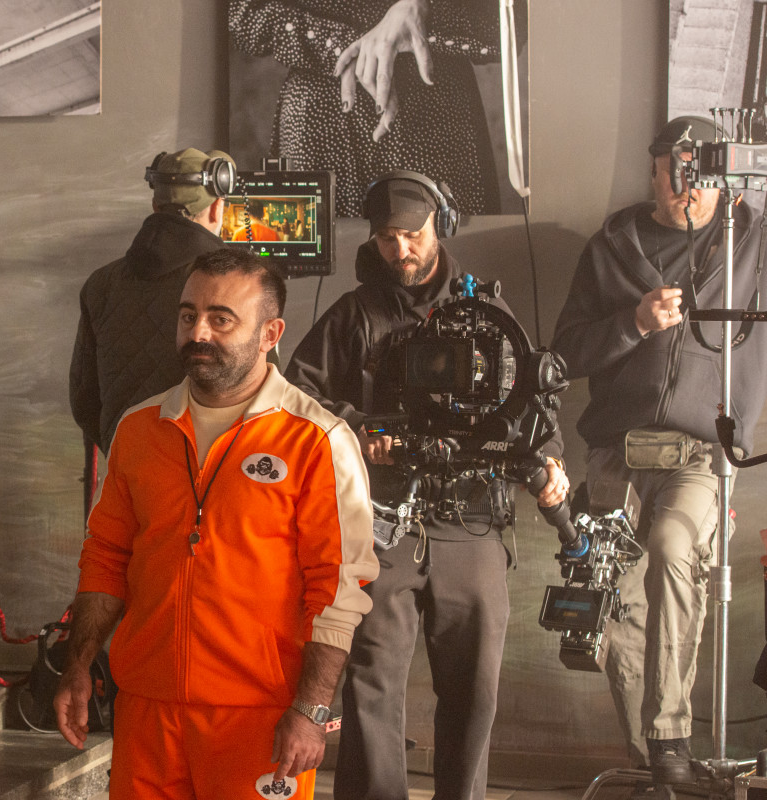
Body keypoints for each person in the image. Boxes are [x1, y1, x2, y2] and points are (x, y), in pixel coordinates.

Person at [53, 248, 379, 800]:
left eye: (221, 318)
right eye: (188, 315)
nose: (197, 332)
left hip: (257, 717)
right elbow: (107, 556)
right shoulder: (139, 429)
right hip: (147, 711)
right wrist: (78, 664)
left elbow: (337, 591)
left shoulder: (317, 440)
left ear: (270, 333)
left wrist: (311, 710)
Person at [285, 171, 568, 800]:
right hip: (383, 524)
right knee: (371, 684)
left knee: (475, 691)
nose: (401, 249)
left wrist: (551, 460)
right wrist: (357, 429)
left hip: (472, 520)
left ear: (441, 224)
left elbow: (530, 404)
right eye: (387, 238)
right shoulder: (354, 314)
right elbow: (296, 396)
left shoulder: (486, 310)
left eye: (412, 234)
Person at [551, 116, 767, 786]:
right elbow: (564, 355)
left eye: (699, 174)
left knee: (673, 550)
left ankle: (670, 739)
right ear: (652, 173)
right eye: (674, 173)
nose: (686, 188)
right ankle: (653, 762)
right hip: (616, 452)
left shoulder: (752, 239)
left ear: (722, 180)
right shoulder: (610, 248)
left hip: (702, 453)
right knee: (614, 600)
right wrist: (634, 323)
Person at [228, 0, 526, 218]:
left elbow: (513, 23)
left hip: (437, 117)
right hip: (320, 117)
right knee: (313, 271)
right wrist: (348, 47)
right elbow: (242, 14)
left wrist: (424, 8)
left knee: (454, 263)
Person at [70, 147, 234, 456]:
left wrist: (123, 451)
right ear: (216, 209)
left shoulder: (100, 283)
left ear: (156, 205)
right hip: (209, 468)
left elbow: (83, 399)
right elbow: (263, 397)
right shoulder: (238, 283)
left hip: (126, 465)